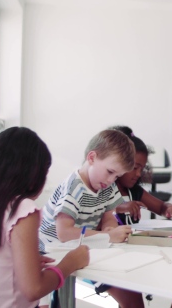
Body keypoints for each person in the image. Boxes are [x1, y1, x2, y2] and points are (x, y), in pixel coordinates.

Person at [0, 127, 89, 308]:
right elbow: (34, 289)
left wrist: (23, 260)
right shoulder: (21, 208)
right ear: (32, 175)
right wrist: (70, 263)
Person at [39, 129, 145, 308]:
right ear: (92, 158)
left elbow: (108, 217)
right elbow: (64, 233)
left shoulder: (106, 186)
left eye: (117, 176)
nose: (112, 180)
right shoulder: (74, 188)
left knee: (131, 291)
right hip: (50, 253)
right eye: (110, 172)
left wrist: (109, 229)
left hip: (81, 248)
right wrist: (107, 236)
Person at [111, 126, 172, 222]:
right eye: (134, 168)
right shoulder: (103, 190)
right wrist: (118, 208)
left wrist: (168, 207)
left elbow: (161, 207)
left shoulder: (134, 191)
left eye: (142, 169)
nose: (138, 174)